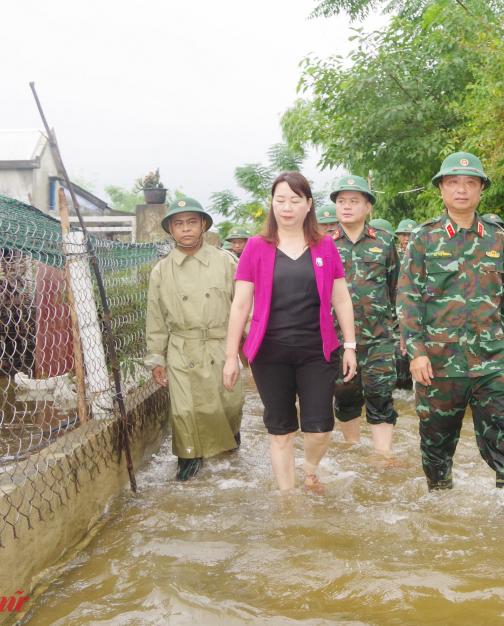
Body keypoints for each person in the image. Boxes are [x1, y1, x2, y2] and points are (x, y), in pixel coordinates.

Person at [397, 151, 504, 490]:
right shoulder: (423, 238)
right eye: (453, 182)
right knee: (436, 447)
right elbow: (408, 300)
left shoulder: (499, 238)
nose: (462, 189)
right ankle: (440, 508)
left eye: (470, 182)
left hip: (493, 360)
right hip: (439, 364)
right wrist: (416, 352)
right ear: (441, 189)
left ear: (481, 190)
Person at [223, 172, 357, 492]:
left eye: (295, 200)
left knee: (320, 428)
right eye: (280, 200)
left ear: (308, 205)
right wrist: (231, 356)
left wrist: (349, 346)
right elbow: (240, 305)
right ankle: (287, 497)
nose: (287, 207)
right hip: (270, 352)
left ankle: (310, 468)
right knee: (280, 430)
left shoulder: (325, 246)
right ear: (272, 204)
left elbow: (341, 298)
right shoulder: (256, 247)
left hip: (317, 350)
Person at [145, 198, 244, 481]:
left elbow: (244, 305)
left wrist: (251, 344)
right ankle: (188, 464)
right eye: (178, 223)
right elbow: (155, 319)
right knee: (185, 410)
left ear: (203, 225)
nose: (185, 229)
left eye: (191, 222)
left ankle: (230, 447)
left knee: (229, 404)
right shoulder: (161, 271)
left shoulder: (227, 262)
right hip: (181, 348)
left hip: (220, 345)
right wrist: (156, 359)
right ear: (171, 230)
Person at [329, 176, 401, 453]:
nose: (346, 206)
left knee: (381, 394)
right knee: (345, 396)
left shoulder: (384, 241)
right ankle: (354, 449)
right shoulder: (323, 244)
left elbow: (396, 288)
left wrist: (400, 333)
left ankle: (383, 456)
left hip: (379, 336)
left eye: (354, 201)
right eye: (341, 201)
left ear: (368, 207)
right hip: (336, 337)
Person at [393, 218, 418, 390]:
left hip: (417, 311)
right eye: (403, 234)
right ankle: (403, 388)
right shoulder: (394, 255)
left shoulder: (422, 255)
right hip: (396, 313)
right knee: (399, 354)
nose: (406, 238)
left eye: (410, 234)